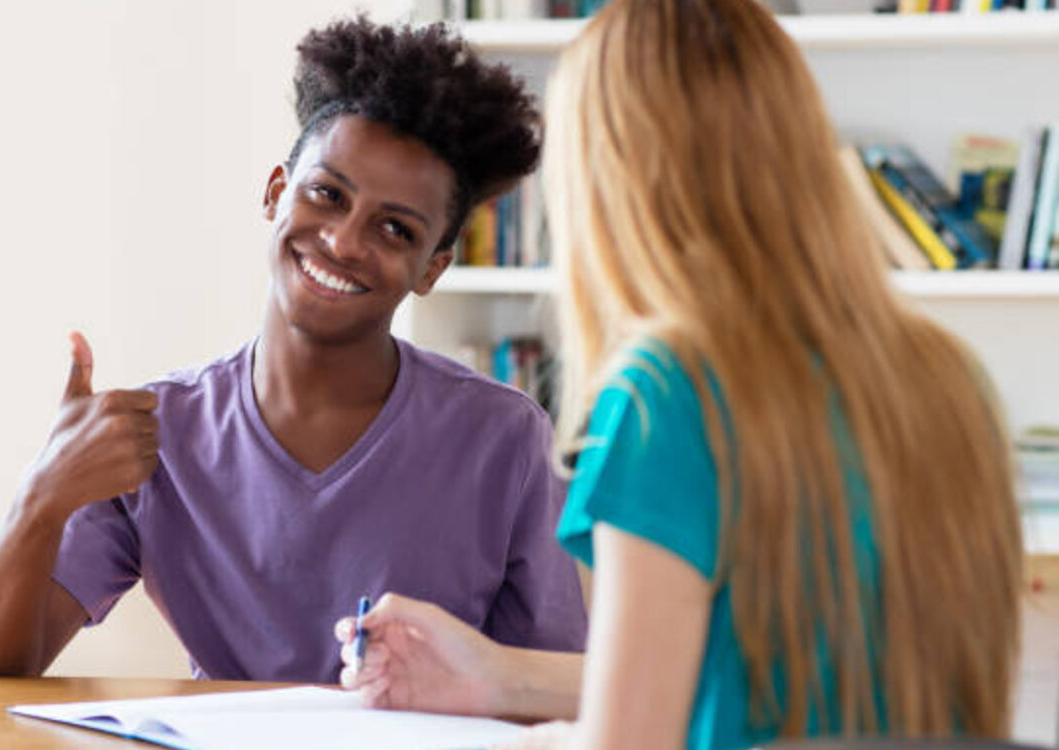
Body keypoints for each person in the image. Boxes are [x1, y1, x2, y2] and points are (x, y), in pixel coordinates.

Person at [335, 0, 1023, 747]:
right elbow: (743, 686)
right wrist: (499, 677)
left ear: (611, 183)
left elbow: (626, 743)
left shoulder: (667, 393)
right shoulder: (949, 379)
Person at [0, 17, 587, 683]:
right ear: (276, 193)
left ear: (432, 268)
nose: (343, 241)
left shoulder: (506, 442)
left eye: (395, 229)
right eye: (327, 195)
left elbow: (560, 695)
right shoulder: (153, 435)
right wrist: (43, 493)